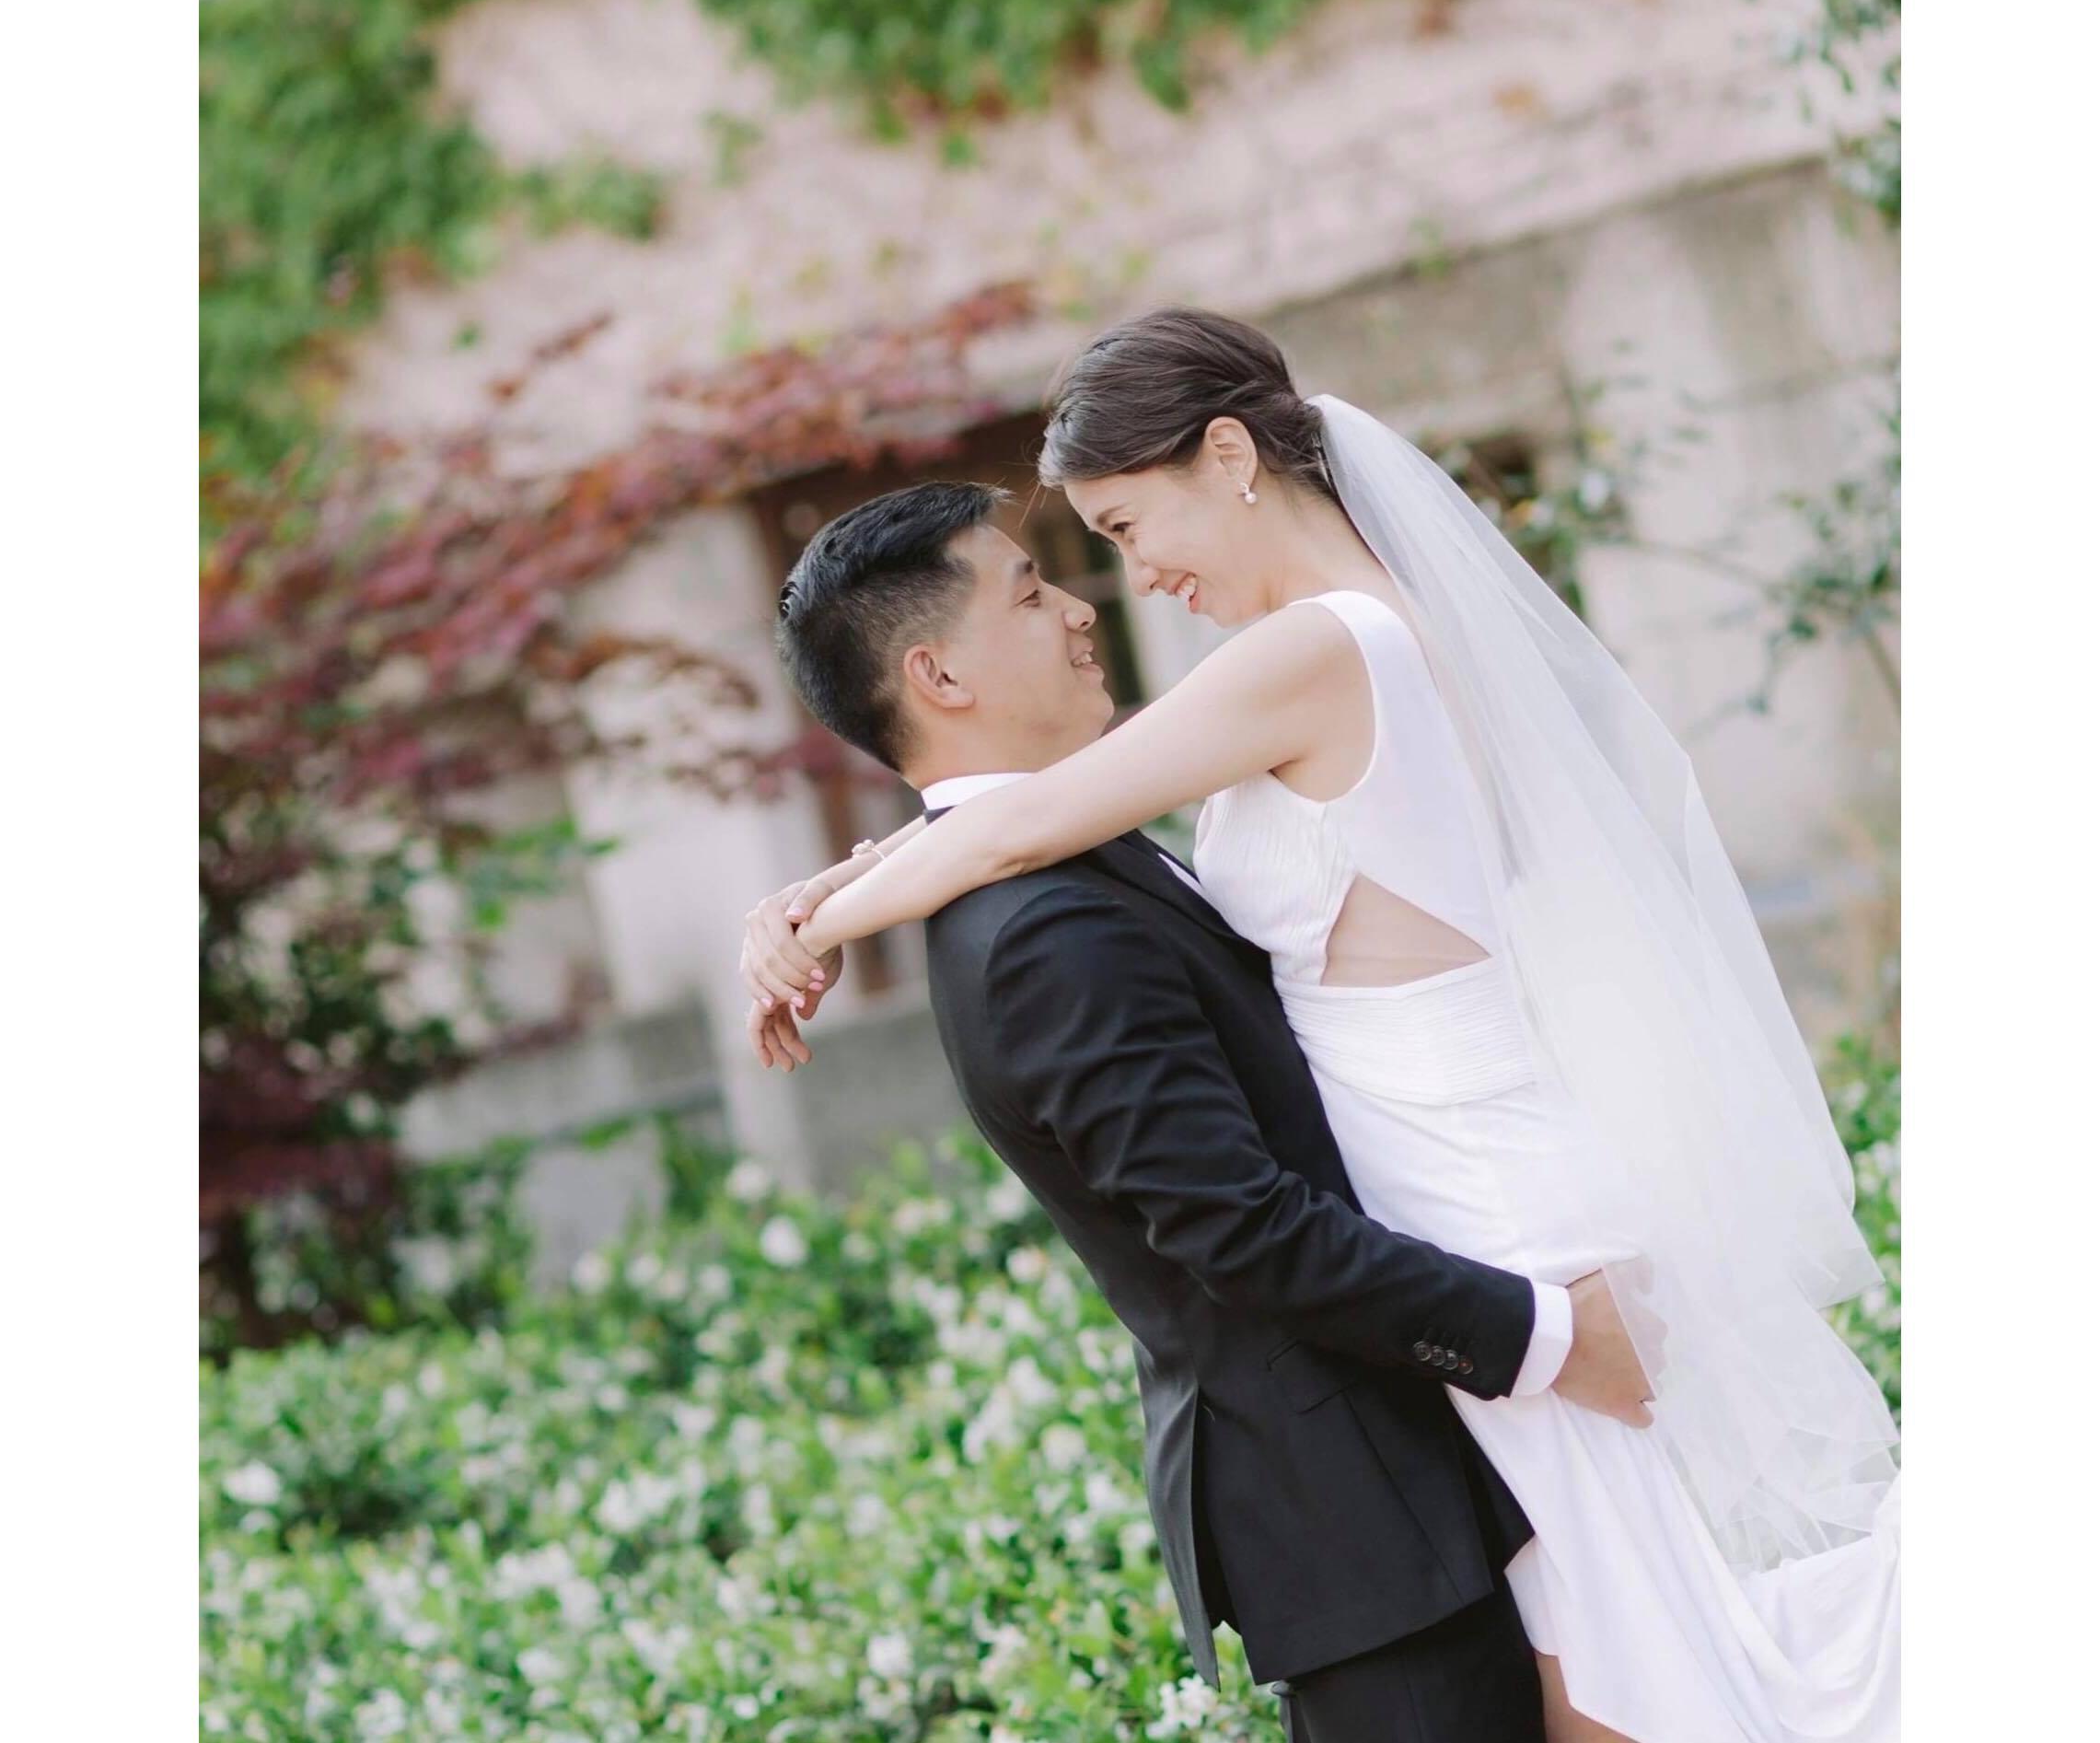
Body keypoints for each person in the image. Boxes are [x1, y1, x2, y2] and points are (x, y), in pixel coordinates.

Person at [748, 309, 1901, 1742]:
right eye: (1075, 557)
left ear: (1231, 457)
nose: (1123, 583)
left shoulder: (1317, 647)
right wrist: (832, 888)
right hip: (1459, 1209)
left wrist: (809, 925)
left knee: (1639, 1686)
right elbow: (1020, 816)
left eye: (1123, 527)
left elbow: (1021, 820)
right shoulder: (1328, 647)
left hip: (1484, 1212)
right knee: (1630, 1671)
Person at [768, 480, 1661, 1743]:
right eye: (1029, 591)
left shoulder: (1056, 853)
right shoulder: (1042, 932)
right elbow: (1238, 1229)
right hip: (1358, 1518)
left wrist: (822, 896)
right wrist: (1550, 1337)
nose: (1081, 609)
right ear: (938, 674)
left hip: (1418, 1473)